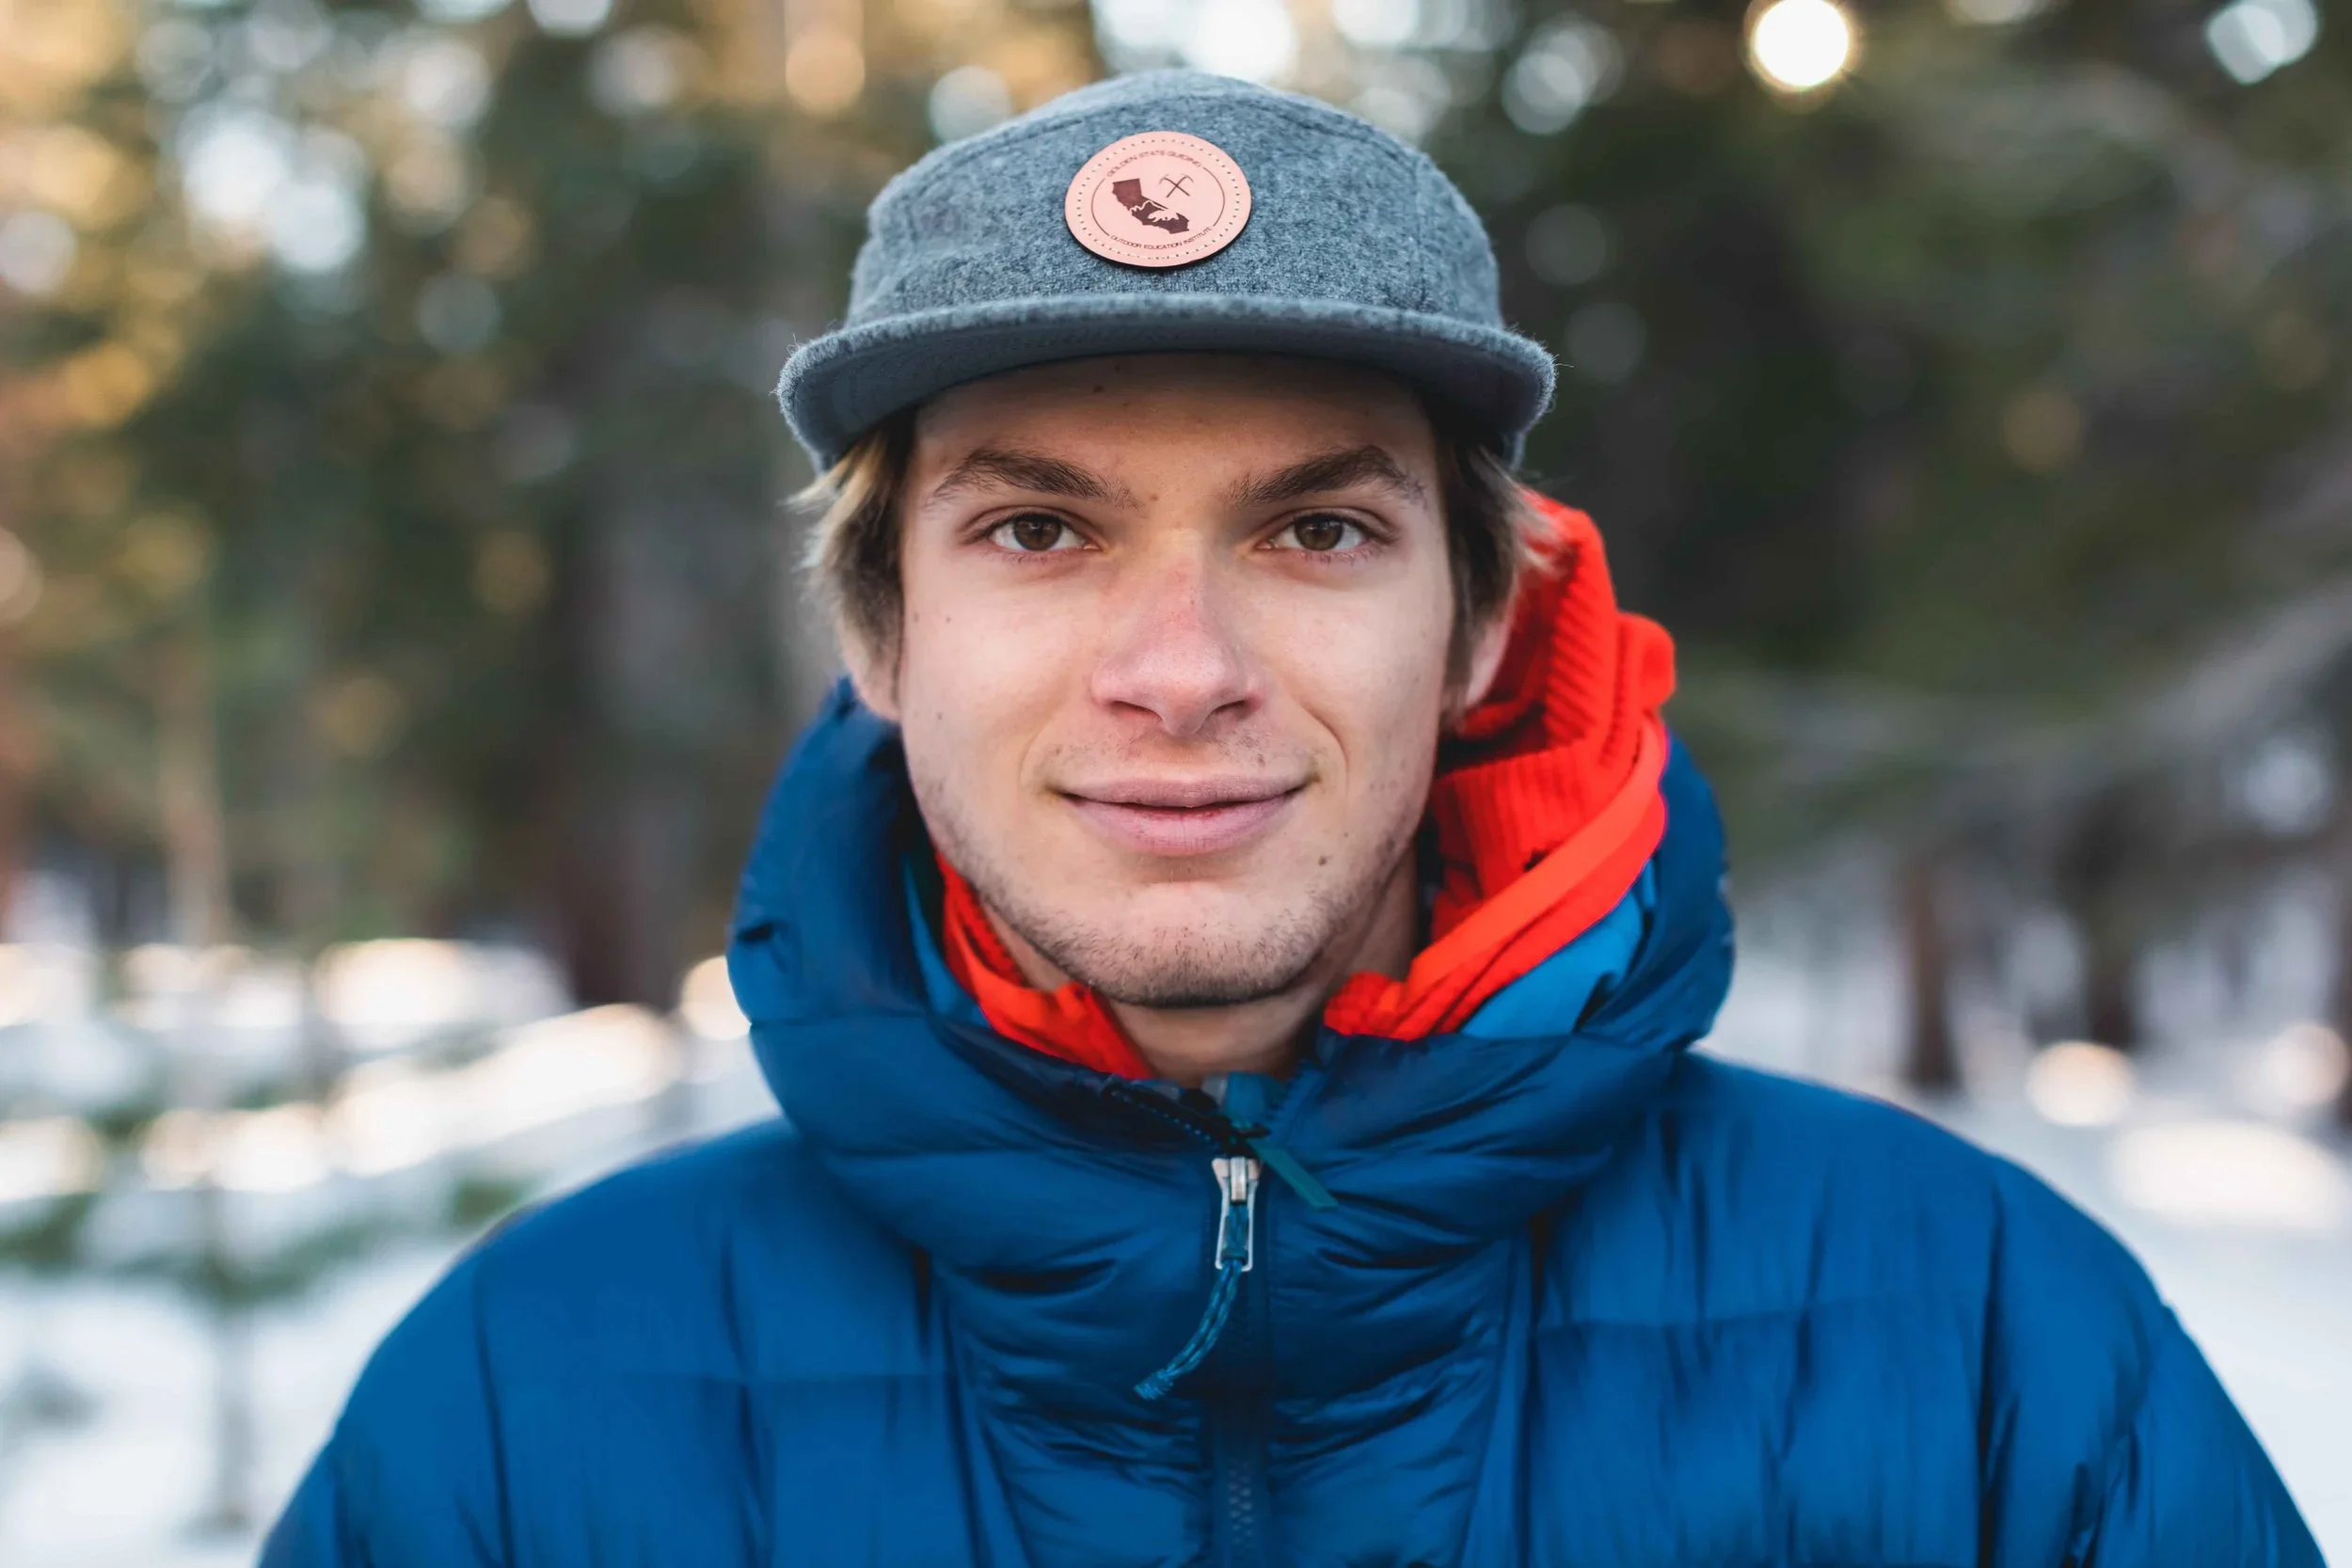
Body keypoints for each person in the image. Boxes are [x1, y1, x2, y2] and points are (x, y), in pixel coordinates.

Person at [264, 71, 2321, 1566]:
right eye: (1040, 527)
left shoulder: (1971, 1342)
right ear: (881, 631)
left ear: (1477, 622)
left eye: (1318, 525)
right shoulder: (525, 1408)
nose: (1180, 666)